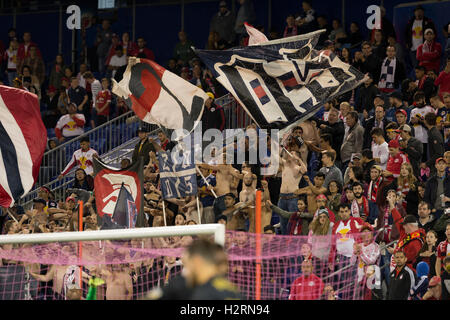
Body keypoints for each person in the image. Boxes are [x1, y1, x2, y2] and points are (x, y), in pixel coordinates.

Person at [329, 203, 363, 299]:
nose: (344, 214)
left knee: (353, 282)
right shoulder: (336, 225)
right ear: (339, 213)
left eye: (346, 211)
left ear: (350, 211)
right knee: (344, 283)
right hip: (341, 258)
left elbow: (366, 233)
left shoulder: (357, 221)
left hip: (355, 258)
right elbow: (332, 244)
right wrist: (331, 259)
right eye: (341, 212)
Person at [404, 5, 436, 73]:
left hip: (424, 49)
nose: (419, 13)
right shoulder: (410, 22)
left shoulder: (428, 21)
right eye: (417, 11)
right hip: (413, 48)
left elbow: (433, 33)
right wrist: (407, 43)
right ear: (414, 13)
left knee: (425, 66)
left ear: (423, 13)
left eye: (421, 11)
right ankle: (418, 81)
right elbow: (406, 33)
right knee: (416, 67)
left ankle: (425, 81)